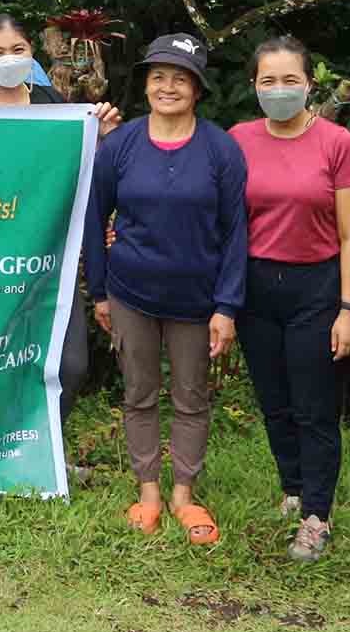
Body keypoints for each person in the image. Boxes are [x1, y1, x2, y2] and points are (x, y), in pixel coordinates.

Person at [81, 34, 247, 546]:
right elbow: (94, 215)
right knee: (139, 393)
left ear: (197, 88)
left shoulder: (221, 148)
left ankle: (183, 494)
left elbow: (237, 229)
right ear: (146, 84)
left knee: (192, 397)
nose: (168, 86)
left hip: (197, 300)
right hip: (132, 292)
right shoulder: (122, 144)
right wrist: (101, 292)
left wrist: (227, 305)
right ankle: (148, 491)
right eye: (158, 77)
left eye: (180, 78)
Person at [227, 35, 350, 561]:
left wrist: (349, 310)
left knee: (314, 407)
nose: (280, 90)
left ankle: (316, 514)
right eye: (269, 81)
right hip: (255, 287)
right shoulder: (237, 139)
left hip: (317, 287)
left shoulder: (337, 144)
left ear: (310, 84)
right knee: (275, 402)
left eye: (291, 80)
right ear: (254, 86)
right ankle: (292, 488)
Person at [0, 12, 118, 433]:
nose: (9, 59)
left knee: (71, 364)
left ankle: (42, 446)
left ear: (32, 54)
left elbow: (86, 172)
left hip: (51, 261)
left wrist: (101, 135)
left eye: (18, 50)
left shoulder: (57, 107)